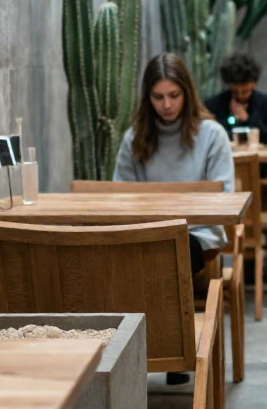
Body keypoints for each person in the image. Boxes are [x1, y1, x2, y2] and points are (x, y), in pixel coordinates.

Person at [114, 53, 234, 387]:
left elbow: (223, 197)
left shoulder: (211, 135)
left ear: (187, 93)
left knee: (168, 256)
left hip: (198, 233)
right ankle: (135, 353)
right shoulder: (134, 138)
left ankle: (170, 351)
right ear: (147, 98)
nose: (166, 104)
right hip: (145, 233)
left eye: (174, 95)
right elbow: (120, 199)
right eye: (158, 97)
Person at [204, 52, 267, 145]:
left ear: (254, 85)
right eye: (235, 91)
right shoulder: (214, 104)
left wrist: (248, 120)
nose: (240, 95)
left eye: (245, 91)